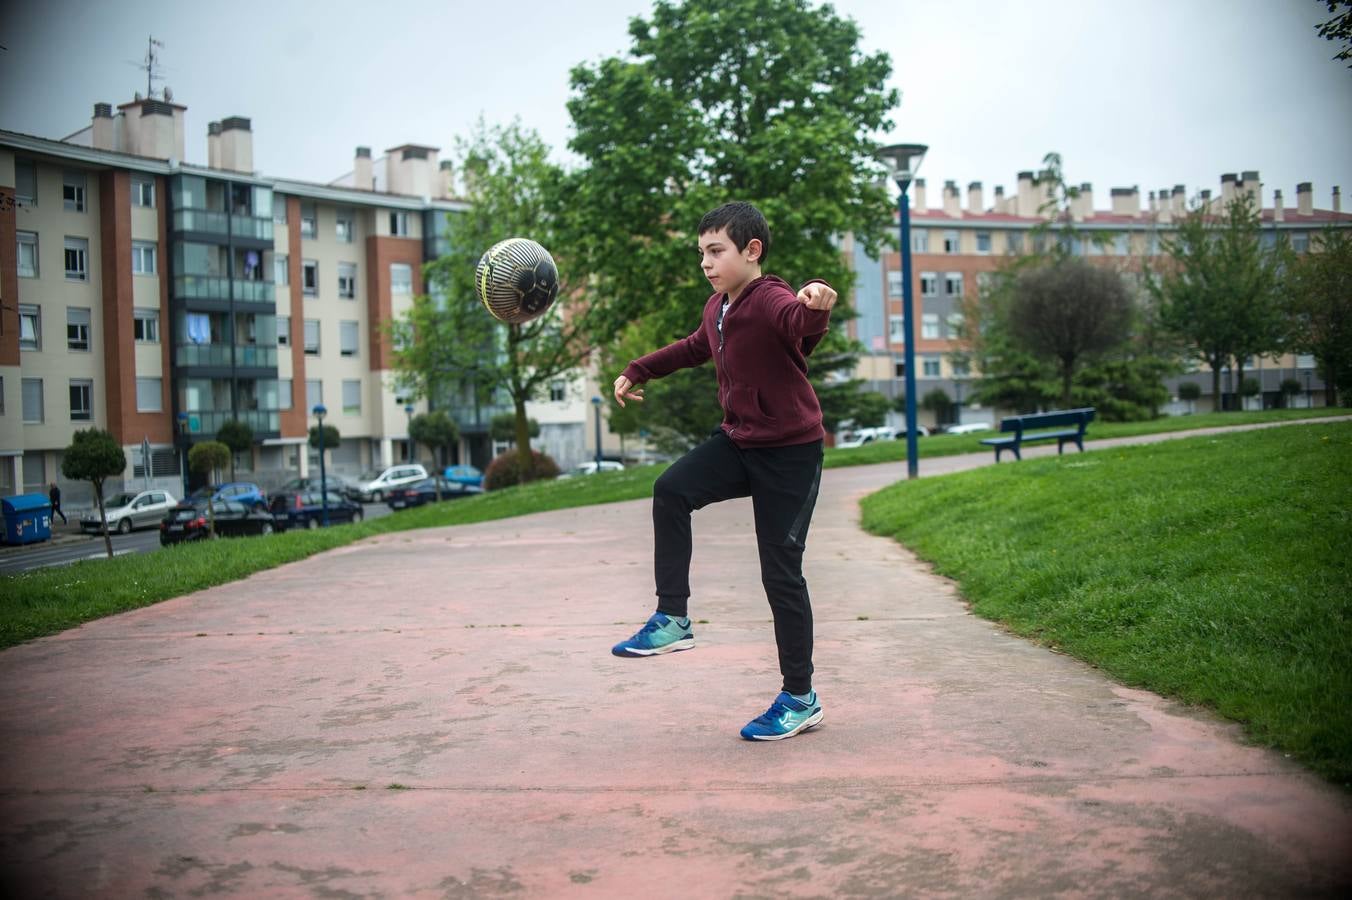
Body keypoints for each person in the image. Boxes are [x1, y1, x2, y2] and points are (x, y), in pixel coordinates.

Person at [610, 201, 838, 742]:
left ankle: (800, 697)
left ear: (751, 251)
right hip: (741, 441)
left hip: (790, 454)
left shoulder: (771, 298)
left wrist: (818, 303)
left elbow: (797, 323)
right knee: (671, 489)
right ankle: (673, 619)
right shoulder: (719, 308)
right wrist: (636, 369)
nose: (707, 263)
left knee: (780, 574)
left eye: (717, 252)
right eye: (702, 254)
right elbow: (694, 348)